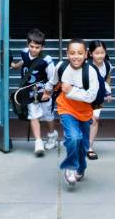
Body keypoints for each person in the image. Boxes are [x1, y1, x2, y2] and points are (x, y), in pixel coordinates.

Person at [42, 38, 100, 187]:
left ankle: (81, 167)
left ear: (86, 54)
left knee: (83, 145)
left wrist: (71, 90)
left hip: (85, 112)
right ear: (67, 54)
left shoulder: (91, 72)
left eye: (80, 53)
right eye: (72, 53)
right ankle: (70, 166)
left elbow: (91, 97)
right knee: (73, 137)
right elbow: (53, 81)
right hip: (66, 108)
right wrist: (47, 92)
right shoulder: (61, 66)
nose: (76, 56)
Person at [10, 28, 58, 155]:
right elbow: (25, 62)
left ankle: (52, 135)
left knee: (48, 116)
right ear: (27, 44)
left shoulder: (47, 60)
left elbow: (53, 78)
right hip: (28, 91)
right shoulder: (24, 52)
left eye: (37, 47)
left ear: (42, 47)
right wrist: (15, 65)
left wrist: (48, 92)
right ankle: (38, 142)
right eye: (31, 46)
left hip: (43, 91)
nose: (34, 49)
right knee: (33, 114)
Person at [86, 40, 113, 160]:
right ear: (91, 54)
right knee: (83, 120)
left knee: (95, 119)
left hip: (98, 97)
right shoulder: (85, 65)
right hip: (84, 96)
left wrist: (108, 92)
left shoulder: (107, 65)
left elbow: (107, 79)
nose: (100, 55)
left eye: (102, 52)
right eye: (97, 53)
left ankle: (89, 147)